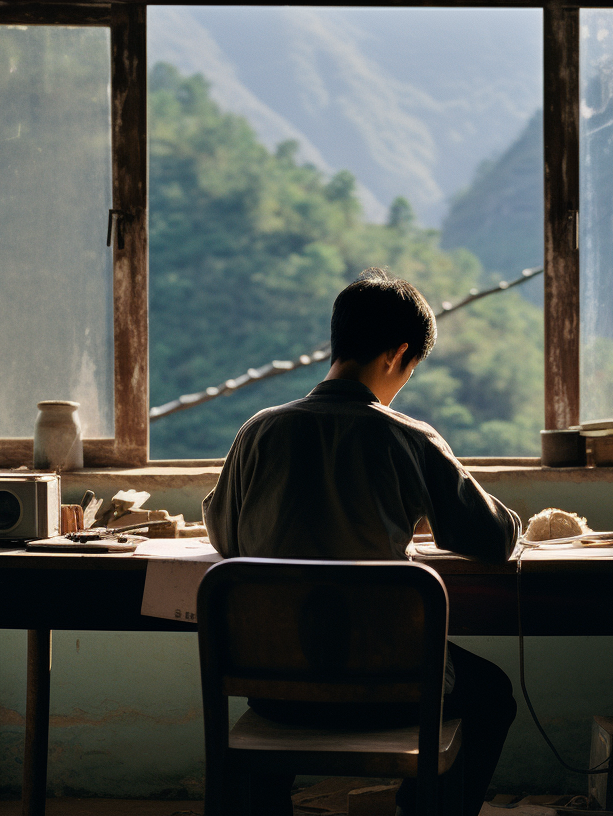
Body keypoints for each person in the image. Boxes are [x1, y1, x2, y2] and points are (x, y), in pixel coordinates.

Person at [203, 268, 520, 816]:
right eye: (411, 368)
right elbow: (495, 539)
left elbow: (224, 535)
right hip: (392, 685)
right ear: (398, 355)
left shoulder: (258, 432)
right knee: (491, 693)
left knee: (278, 685)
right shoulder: (409, 439)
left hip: (275, 683)